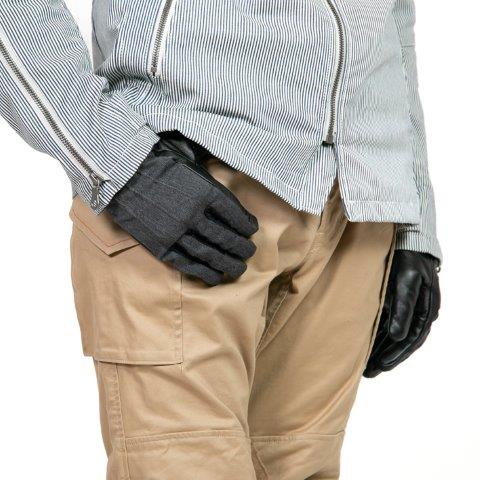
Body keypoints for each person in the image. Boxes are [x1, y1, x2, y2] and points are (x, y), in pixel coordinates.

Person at [0, 1, 441, 478]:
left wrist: (414, 218)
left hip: (355, 206)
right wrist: (113, 157)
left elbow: (396, 15)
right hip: (187, 194)